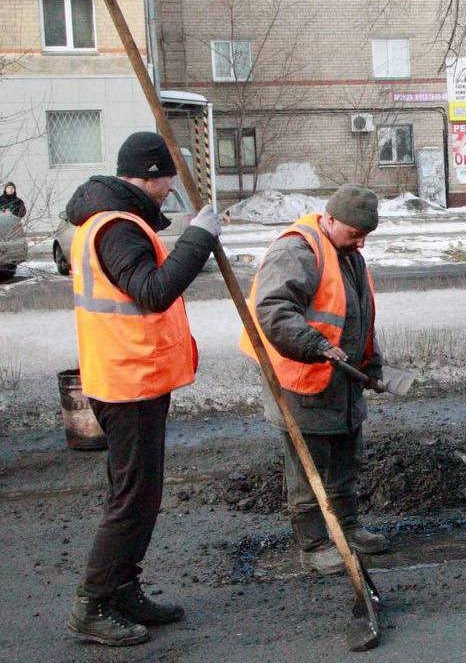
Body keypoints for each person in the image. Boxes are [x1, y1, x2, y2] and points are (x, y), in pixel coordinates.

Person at [65, 132, 221, 647]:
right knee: (132, 499)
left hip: (133, 376)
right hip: (126, 382)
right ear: (151, 175)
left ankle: (122, 589)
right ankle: (94, 603)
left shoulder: (115, 221)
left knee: (141, 495)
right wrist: (199, 238)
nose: (172, 186)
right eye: (169, 176)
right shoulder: (115, 228)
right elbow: (153, 292)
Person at [239, 184, 387, 575]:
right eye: (355, 233)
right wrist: (314, 344)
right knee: (309, 467)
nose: (361, 242)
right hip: (303, 375)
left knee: (344, 459)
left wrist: (371, 364)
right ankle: (314, 543)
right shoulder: (296, 251)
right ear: (330, 218)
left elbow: (359, 316)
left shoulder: (349, 255)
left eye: (366, 235)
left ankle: (348, 527)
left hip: (342, 379)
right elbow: (272, 309)